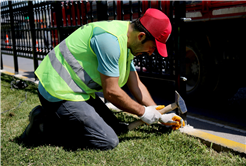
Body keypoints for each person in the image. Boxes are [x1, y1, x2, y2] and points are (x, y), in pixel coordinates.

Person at [21, 8, 185, 150]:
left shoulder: (128, 40)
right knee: (107, 140)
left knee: (117, 129)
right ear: (141, 36)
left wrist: (157, 112)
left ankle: (56, 119)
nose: (151, 53)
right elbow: (111, 92)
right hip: (56, 91)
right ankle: (44, 122)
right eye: (153, 47)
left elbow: (136, 84)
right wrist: (143, 112)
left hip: (77, 93)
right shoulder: (110, 40)